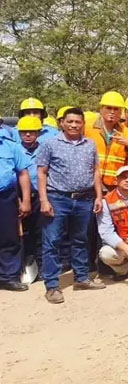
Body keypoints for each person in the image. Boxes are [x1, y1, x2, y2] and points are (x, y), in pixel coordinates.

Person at [38, 108, 106, 303]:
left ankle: (82, 278)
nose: (74, 125)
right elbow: (42, 173)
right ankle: (52, 286)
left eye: (78, 122)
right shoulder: (50, 144)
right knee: (52, 242)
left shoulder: (90, 145)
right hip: (58, 198)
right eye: (70, 122)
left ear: (83, 123)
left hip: (84, 199)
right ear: (62, 123)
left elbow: (95, 172)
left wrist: (98, 196)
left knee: (81, 239)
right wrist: (44, 200)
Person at [0, 117, 32, 291]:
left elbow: (23, 173)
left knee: (9, 238)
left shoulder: (11, 145)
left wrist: (26, 200)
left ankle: (8, 277)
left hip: (5, 197)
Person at [86, 91, 128, 190]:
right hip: (90, 182)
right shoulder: (88, 126)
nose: (112, 112)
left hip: (113, 185)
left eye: (116, 109)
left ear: (120, 112)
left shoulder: (125, 131)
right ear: (101, 109)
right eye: (108, 108)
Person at [16, 117, 43, 283]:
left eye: (31, 132)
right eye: (24, 132)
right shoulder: (15, 150)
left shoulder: (45, 149)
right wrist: (20, 200)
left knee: (40, 233)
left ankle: (40, 267)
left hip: (40, 197)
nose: (27, 135)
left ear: (38, 133)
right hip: (19, 197)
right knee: (19, 235)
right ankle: (18, 268)